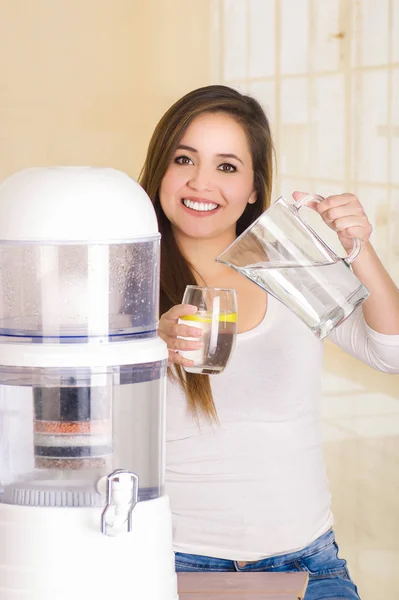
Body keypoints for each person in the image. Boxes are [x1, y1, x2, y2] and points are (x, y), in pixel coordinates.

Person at [139, 85, 399, 600]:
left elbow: (390, 353)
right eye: (184, 158)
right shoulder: (125, 279)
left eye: (227, 167)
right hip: (174, 566)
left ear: (256, 187)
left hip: (310, 566)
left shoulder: (288, 265)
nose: (201, 182)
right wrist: (147, 342)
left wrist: (358, 248)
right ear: (160, 170)